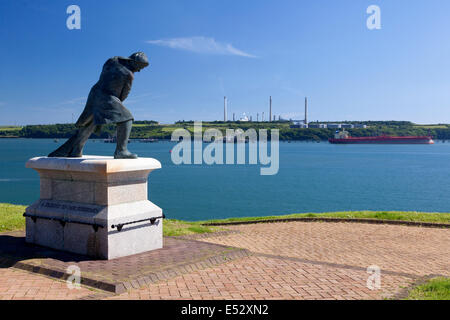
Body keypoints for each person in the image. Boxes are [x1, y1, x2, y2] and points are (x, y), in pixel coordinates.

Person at [48, 52, 150, 159]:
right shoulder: (129, 75)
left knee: (90, 122)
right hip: (107, 97)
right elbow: (123, 95)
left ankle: (75, 150)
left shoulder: (112, 61)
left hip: (95, 93)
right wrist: (115, 105)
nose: (139, 70)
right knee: (127, 118)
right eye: (139, 67)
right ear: (134, 62)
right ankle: (121, 151)